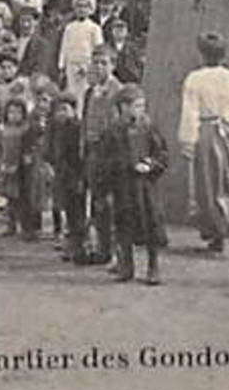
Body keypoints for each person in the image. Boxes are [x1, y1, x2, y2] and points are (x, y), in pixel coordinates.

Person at [178, 32, 229, 256]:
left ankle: (218, 232)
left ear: (202, 54)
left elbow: (190, 112)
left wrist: (188, 140)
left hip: (206, 132)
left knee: (209, 185)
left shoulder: (194, 79)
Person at [102, 86, 169, 285]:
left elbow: (162, 154)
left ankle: (153, 267)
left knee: (151, 224)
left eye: (142, 106)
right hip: (123, 186)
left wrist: (151, 164)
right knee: (124, 225)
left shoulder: (149, 128)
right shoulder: (113, 131)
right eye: (135, 106)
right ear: (123, 107)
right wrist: (126, 167)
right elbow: (105, 160)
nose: (140, 110)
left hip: (146, 186)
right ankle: (126, 265)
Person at [79, 46, 123, 265]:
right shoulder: (90, 92)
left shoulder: (118, 92)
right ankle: (101, 248)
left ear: (113, 65)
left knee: (112, 203)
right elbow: (86, 122)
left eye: (104, 63)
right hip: (93, 152)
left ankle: (117, 253)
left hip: (111, 154)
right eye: (95, 62)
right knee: (96, 202)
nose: (98, 67)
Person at [44, 91, 83, 249]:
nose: (61, 113)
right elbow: (49, 149)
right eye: (58, 110)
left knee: (75, 206)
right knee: (61, 203)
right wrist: (49, 164)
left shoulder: (77, 128)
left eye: (65, 109)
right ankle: (63, 233)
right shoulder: (53, 128)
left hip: (74, 171)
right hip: (59, 170)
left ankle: (76, 238)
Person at [0, 98, 37, 238]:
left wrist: (27, 158)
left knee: (24, 198)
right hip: (6, 165)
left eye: (18, 112)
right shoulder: (2, 129)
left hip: (22, 168)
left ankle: (27, 228)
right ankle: (10, 224)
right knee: (10, 198)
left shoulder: (26, 129)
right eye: (11, 112)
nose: (14, 115)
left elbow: (29, 147)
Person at [57, 0, 105, 93]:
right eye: (79, 6)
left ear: (90, 9)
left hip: (86, 65)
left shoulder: (94, 28)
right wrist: (61, 65)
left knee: (84, 92)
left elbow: (98, 49)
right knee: (71, 91)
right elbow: (64, 46)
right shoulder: (69, 27)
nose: (81, 9)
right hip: (71, 65)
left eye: (85, 6)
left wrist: (90, 66)